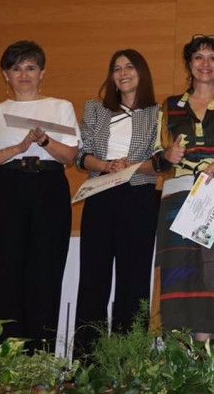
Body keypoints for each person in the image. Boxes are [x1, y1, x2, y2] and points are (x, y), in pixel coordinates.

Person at [0, 40, 79, 351]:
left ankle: (39, 361)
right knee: (3, 272)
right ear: (5, 75)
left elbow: (70, 156)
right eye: (16, 68)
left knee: (45, 272)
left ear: (42, 72)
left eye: (30, 67)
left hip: (48, 187)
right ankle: (3, 359)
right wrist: (16, 149)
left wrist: (43, 140)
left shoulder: (60, 106)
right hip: (6, 189)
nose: (24, 74)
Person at [72, 49, 163, 357]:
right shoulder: (96, 109)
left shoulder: (157, 112)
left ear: (142, 72)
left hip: (139, 198)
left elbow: (161, 160)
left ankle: (130, 361)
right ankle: (88, 363)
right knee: (93, 281)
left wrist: (130, 165)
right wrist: (106, 163)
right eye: (116, 68)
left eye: (129, 67)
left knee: (134, 282)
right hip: (99, 195)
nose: (123, 72)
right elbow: (80, 155)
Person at [154, 34, 214, 338]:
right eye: (198, 58)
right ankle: (179, 357)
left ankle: (209, 357)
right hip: (177, 197)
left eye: (212, 58)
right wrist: (166, 156)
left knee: (213, 273)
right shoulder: (168, 106)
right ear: (189, 65)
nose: (205, 65)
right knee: (179, 275)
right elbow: (154, 157)